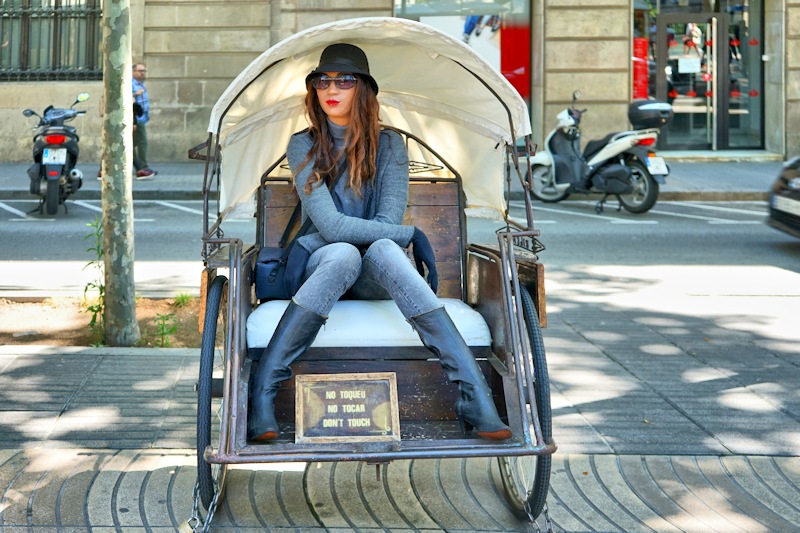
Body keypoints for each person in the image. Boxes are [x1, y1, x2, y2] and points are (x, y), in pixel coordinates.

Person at [247, 43, 512, 443]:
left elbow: (386, 223)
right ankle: (263, 392)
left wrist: (394, 234)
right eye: (322, 80)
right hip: (318, 266)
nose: (330, 88)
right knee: (342, 252)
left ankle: (474, 395)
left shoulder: (389, 146)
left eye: (344, 80)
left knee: (384, 248)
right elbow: (333, 228)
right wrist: (408, 234)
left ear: (364, 89)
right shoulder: (302, 145)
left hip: (374, 270)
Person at [132, 63, 157, 178]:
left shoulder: (141, 84)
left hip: (142, 118)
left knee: (132, 144)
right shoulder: (131, 84)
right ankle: (143, 167)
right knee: (142, 142)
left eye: (144, 71)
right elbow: (127, 100)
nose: (143, 73)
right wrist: (133, 122)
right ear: (133, 72)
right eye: (140, 71)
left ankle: (140, 167)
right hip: (137, 119)